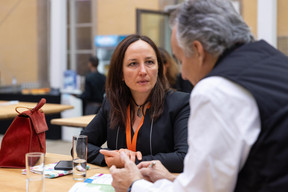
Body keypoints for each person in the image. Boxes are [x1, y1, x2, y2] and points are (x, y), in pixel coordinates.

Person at [110, 0, 288, 192]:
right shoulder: (277, 61)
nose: (183, 74)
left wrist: (134, 184)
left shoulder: (216, 89)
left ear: (198, 50)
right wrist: (170, 179)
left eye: (180, 59)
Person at [79, 34, 190, 173]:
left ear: (159, 68)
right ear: (120, 73)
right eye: (133, 64)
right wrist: (109, 158)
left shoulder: (180, 103)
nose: (143, 71)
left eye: (149, 62)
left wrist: (129, 161)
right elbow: (80, 145)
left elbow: (184, 158)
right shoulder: (112, 103)